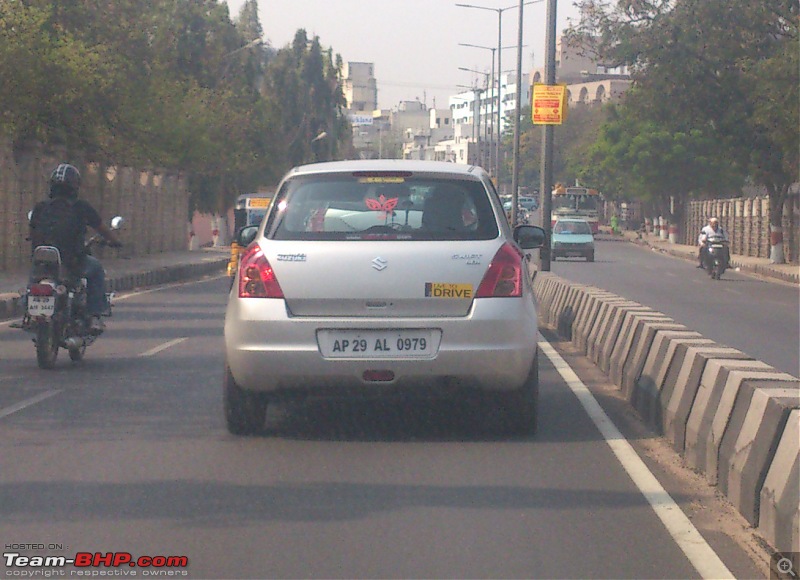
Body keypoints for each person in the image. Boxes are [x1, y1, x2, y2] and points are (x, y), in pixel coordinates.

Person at [29, 163, 122, 334]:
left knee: (33, 279)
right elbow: (101, 228)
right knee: (96, 268)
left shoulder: (40, 207)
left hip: (43, 261)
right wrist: (115, 241)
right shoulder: (81, 207)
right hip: (72, 261)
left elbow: (32, 230)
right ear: (75, 186)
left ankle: (27, 311)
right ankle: (95, 315)